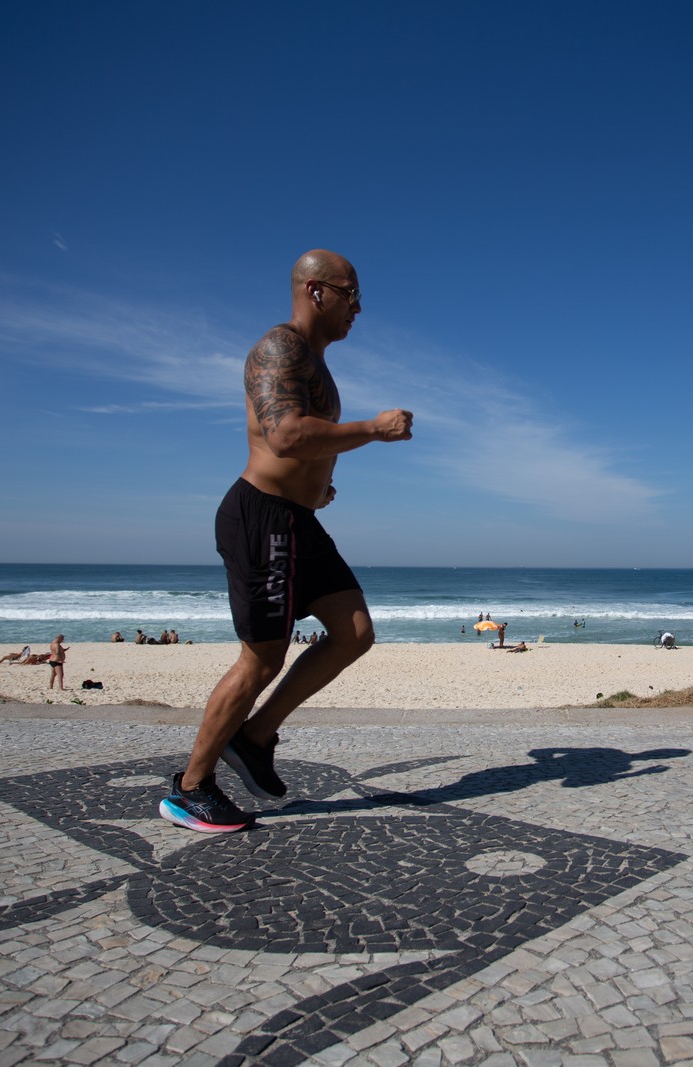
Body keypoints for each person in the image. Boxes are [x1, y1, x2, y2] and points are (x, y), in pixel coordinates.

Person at [160, 249, 413, 834]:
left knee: (353, 632)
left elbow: (306, 444)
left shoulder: (317, 364)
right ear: (318, 291)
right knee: (262, 657)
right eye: (352, 294)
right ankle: (190, 787)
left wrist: (316, 488)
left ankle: (254, 737)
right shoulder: (279, 347)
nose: (358, 309)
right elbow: (284, 434)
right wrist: (374, 429)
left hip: (297, 517)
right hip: (260, 517)